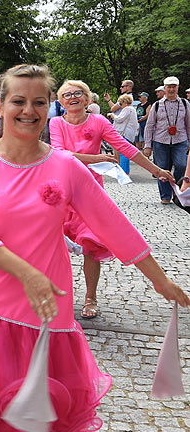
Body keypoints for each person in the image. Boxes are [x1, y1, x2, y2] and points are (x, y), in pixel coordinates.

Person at [0, 64, 190, 432]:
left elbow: (112, 223)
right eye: (18, 101)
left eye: (37, 102)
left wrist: (159, 280)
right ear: (1, 104)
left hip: (49, 307)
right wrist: (26, 272)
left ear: (48, 107)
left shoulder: (66, 166)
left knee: (48, 399)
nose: (28, 110)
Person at [50, 80, 175, 319]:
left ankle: (90, 298)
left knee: (90, 245)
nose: (73, 97)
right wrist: (95, 158)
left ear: (87, 99)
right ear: (61, 101)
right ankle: (56, 295)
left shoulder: (99, 121)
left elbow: (126, 148)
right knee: (53, 245)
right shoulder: (56, 123)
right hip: (61, 192)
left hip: (90, 194)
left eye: (78, 93)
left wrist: (156, 170)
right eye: (67, 94)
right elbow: (59, 154)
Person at [143, 76, 190, 204]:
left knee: (181, 165)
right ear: (164, 88)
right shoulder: (157, 105)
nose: (171, 89)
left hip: (180, 140)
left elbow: (188, 124)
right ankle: (165, 196)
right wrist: (147, 145)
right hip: (160, 141)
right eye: (169, 87)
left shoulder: (185, 104)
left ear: (178, 88)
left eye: (174, 87)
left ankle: (178, 191)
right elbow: (150, 125)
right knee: (162, 168)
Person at [108, 93, 139, 168]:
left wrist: (112, 115)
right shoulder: (132, 109)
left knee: (123, 152)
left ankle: (124, 170)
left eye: (120, 103)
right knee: (124, 152)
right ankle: (124, 169)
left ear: (125, 102)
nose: (120, 105)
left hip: (125, 133)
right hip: (129, 133)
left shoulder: (127, 109)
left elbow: (119, 119)